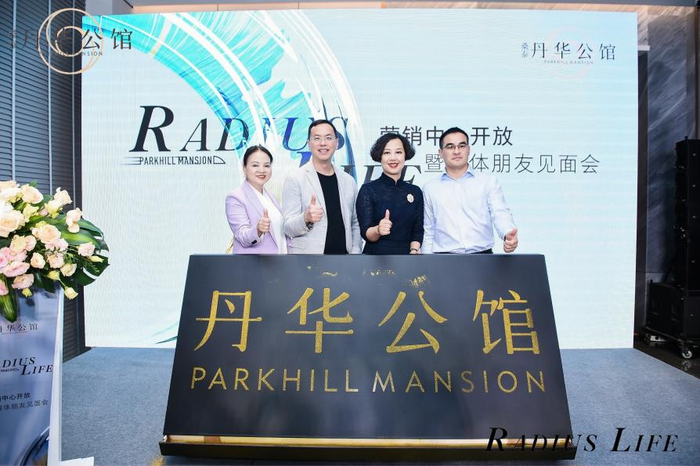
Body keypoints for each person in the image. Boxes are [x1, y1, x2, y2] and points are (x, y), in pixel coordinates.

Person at [422, 127, 518, 254]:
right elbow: (428, 230)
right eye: (450, 147)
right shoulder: (430, 188)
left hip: (483, 257)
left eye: (462, 146)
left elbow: (500, 213)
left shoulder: (488, 182)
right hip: (443, 259)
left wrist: (507, 234)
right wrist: (426, 261)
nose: (456, 151)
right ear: (440, 153)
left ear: (468, 149)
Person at [282, 119, 361, 254]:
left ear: (337, 143)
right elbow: (287, 228)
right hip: (308, 259)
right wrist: (305, 218)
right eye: (317, 138)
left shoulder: (349, 181)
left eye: (328, 138)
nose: (323, 143)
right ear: (309, 144)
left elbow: (355, 223)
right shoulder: (295, 179)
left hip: (345, 259)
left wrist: (355, 251)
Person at [356, 133, 423, 255]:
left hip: (407, 258)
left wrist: (414, 250)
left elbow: (417, 231)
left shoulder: (415, 191)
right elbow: (366, 233)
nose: (393, 158)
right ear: (380, 156)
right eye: (387, 153)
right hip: (375, 257)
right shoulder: (368, 190)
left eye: (398, 152)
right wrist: (378, 229)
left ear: (405, 155)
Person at [225, 145, 288, 254]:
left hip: (279, 260)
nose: (262, 170)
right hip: (255, 263)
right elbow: (242, 236)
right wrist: (258, 230)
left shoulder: (271, 197)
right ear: (244, 168)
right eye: (255, 165)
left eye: (266, 165)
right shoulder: (235, 197)